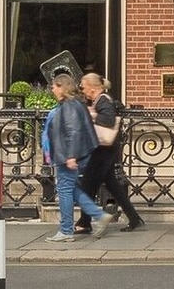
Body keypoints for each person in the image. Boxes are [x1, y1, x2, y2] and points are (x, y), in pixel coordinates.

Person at [43, 69, 111, 242]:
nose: (52, 89)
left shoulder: (69, 105)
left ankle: (66, 230)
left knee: (65, 190)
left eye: (54, 86)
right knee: (71, 188)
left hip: (68, 155)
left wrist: (71, 156)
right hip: (70, 154)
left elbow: (73, 131)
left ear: (62, 87)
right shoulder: (74, 103)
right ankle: (99, 215)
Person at [78, 69, 142, 233]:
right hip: (104, 148)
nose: (82, 90)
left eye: (83, 87)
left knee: (88, 184)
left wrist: (91, 115)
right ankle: (134, 218)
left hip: (104, 148)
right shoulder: (99, 100)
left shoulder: (103, 100)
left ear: (92, 87)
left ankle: (85, 222)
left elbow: (108, 120)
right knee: (111, 185)